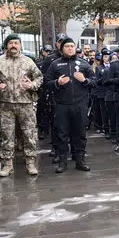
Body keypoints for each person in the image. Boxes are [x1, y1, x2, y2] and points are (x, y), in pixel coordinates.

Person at [0, 33, 43, 176]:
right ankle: (7, 164)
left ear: (20, 45)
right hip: (6, 105)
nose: (13, 46)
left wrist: (31, 85)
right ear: (6, 45)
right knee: (7, 135)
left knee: (29, 134)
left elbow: (39, 78)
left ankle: (30, 162)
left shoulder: (28, 61)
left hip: (25, 104)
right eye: (11, 43)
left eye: (16, 43)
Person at [45, 37, 95, 173]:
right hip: (62, 105)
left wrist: (84, 80)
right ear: (62, 49)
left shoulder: (83, 64)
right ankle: (62, 161)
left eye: (72, 46)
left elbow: (95, 82)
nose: (70, 48)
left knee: (80, 133)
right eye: (67, 46)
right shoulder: (55, 64)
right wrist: (57, 83)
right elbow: (46, 82)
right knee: (62, 134)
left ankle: (80, 160)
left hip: (80, 104)